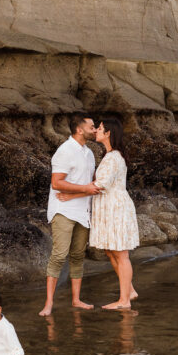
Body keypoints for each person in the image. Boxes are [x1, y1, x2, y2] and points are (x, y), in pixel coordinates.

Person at [58, 117, 139, 309]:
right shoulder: (109, 155)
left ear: (108, 133)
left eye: (100, 128)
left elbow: (100, 185)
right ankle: (130, 290)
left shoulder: (113, 157)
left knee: (121, 254)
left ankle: (124, 301)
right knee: (111, 251)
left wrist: (71, 195)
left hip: (115, 208)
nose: (96, 131)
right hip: (107, 206)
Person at [39, 113, 100, 316]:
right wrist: (84, 190)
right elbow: (56, 183)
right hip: (63, 210)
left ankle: (76, 300)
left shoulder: (89, 153)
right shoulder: (64, 151)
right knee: (59, 255)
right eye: (92, 126)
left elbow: (91, 184)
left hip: (83, 211)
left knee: (77, 256)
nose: (95, 129)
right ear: (79, 129)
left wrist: (83, 192)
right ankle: (48, 303)